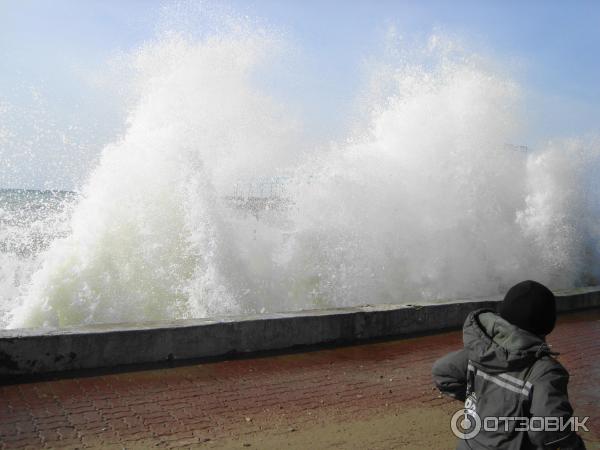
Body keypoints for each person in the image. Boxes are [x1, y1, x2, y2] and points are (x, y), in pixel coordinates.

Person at [432, 280, 586, 449]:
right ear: (548, 323)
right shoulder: (545, 372)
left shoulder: (481, 352)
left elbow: (443, 372)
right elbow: (549, 431)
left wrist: (482, 403)